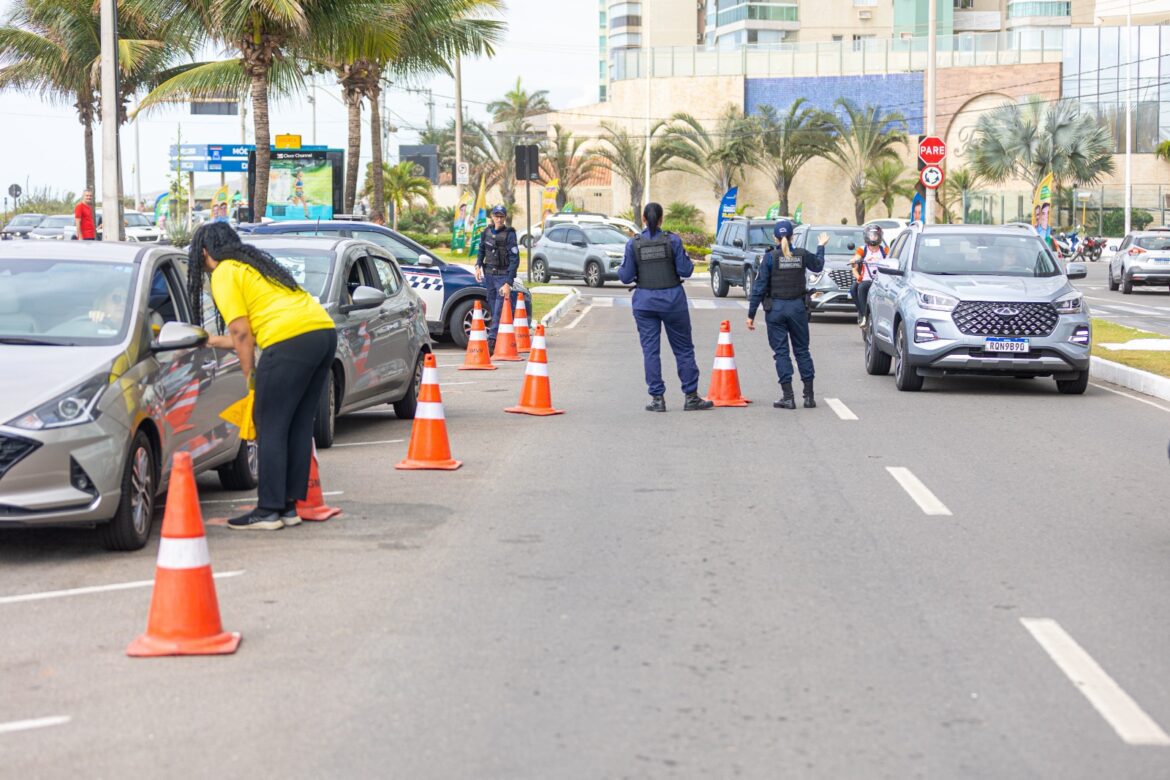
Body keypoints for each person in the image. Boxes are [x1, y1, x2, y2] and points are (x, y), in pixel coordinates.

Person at [187, 222, 337, 531]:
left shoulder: (224, 272)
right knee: (295, 425)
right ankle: (288, 507)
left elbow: (242, 332)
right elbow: (249, 332)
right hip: (322, 334)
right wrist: (212, 340)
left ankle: (267, 510)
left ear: (204, 251)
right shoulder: (253, 267)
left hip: (288, 341)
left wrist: (250, 378)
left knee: (269, 426)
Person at [618, 202, 713, 413]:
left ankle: (657, 399)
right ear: (661, 220)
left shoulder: (633, 244)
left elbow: (625, 277)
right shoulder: (673, 241)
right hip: (673, 301)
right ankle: (691, 396)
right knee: (683, 349)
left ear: (643, 219)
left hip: (644, 303)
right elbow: (686, 271)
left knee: (651, 351)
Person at [746, 220, 828, 409]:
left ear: (775, 238)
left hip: (776, 310)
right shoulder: (801, 255)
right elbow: (818, 265)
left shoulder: (769, 258)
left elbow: (759, 287)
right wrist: (821, 246)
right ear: (793, 237)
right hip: (797, 309)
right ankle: (809, 397)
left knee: (781, 353)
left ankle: (788, 397)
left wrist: (751, 314)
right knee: (802, 351)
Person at [475, 205, 520, 351]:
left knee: (499, 308)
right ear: (492, 217)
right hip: (489, 275)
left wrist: (508, 282)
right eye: (496, 216)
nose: (499, 219)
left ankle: (492, 341)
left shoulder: (510, 234)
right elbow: (481, 250)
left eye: (501, 216)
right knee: (494, 307)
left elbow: (514, 259)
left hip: (502, 276)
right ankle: (500, 338)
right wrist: (477, 266)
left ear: (505, 218)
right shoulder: (486, 232)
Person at [850, 224, 887, 328]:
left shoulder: (884, 250)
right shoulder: (863, 249)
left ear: (879, 236)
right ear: (867, 236)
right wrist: (854, 260)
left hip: (880, 280)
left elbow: (892, 259)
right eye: (871, 235)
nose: (873, 238)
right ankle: (863, 314)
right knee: (858, 288)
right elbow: (855, 260)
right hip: (866, 278)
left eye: (875, 235)